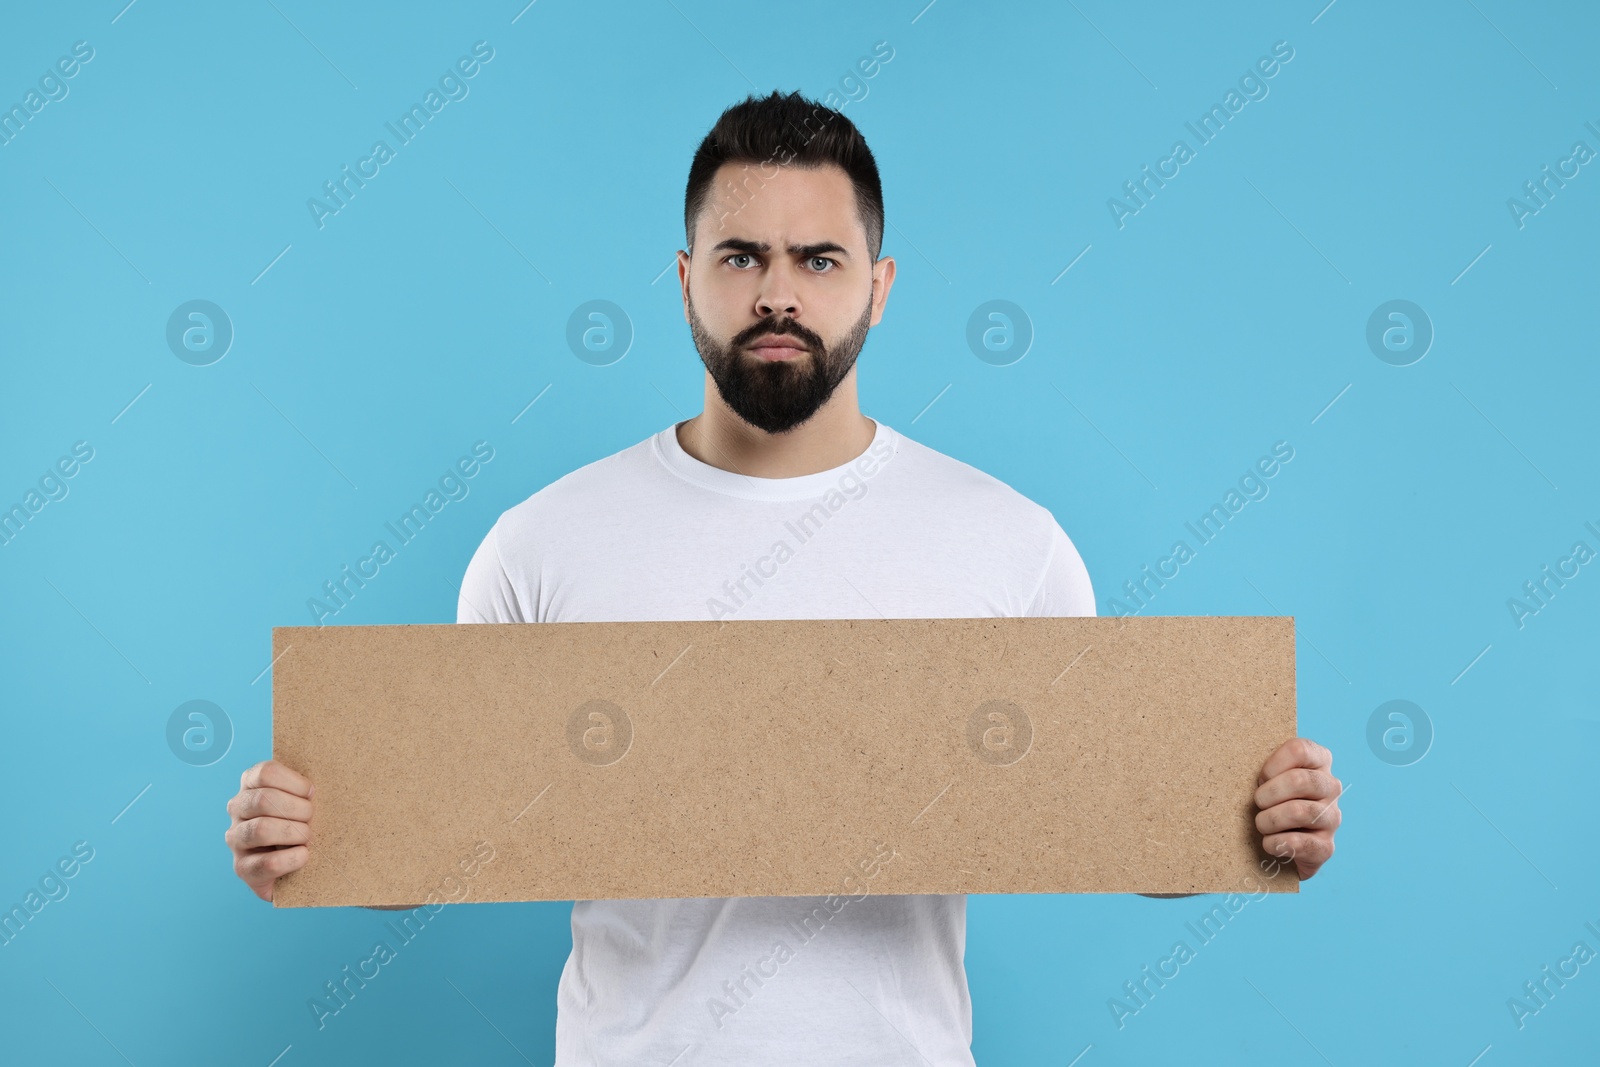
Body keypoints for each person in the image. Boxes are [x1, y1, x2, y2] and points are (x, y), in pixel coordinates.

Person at [226, 90, 1342, 1064]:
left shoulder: (1007, 542)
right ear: (683, 279)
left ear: (879, 284)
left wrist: (1248, 821)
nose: (778, 294)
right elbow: (455, 828)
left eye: (818, 259)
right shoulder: (543, 541)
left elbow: (1099, 821)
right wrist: (317, 832)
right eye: (740, 255)